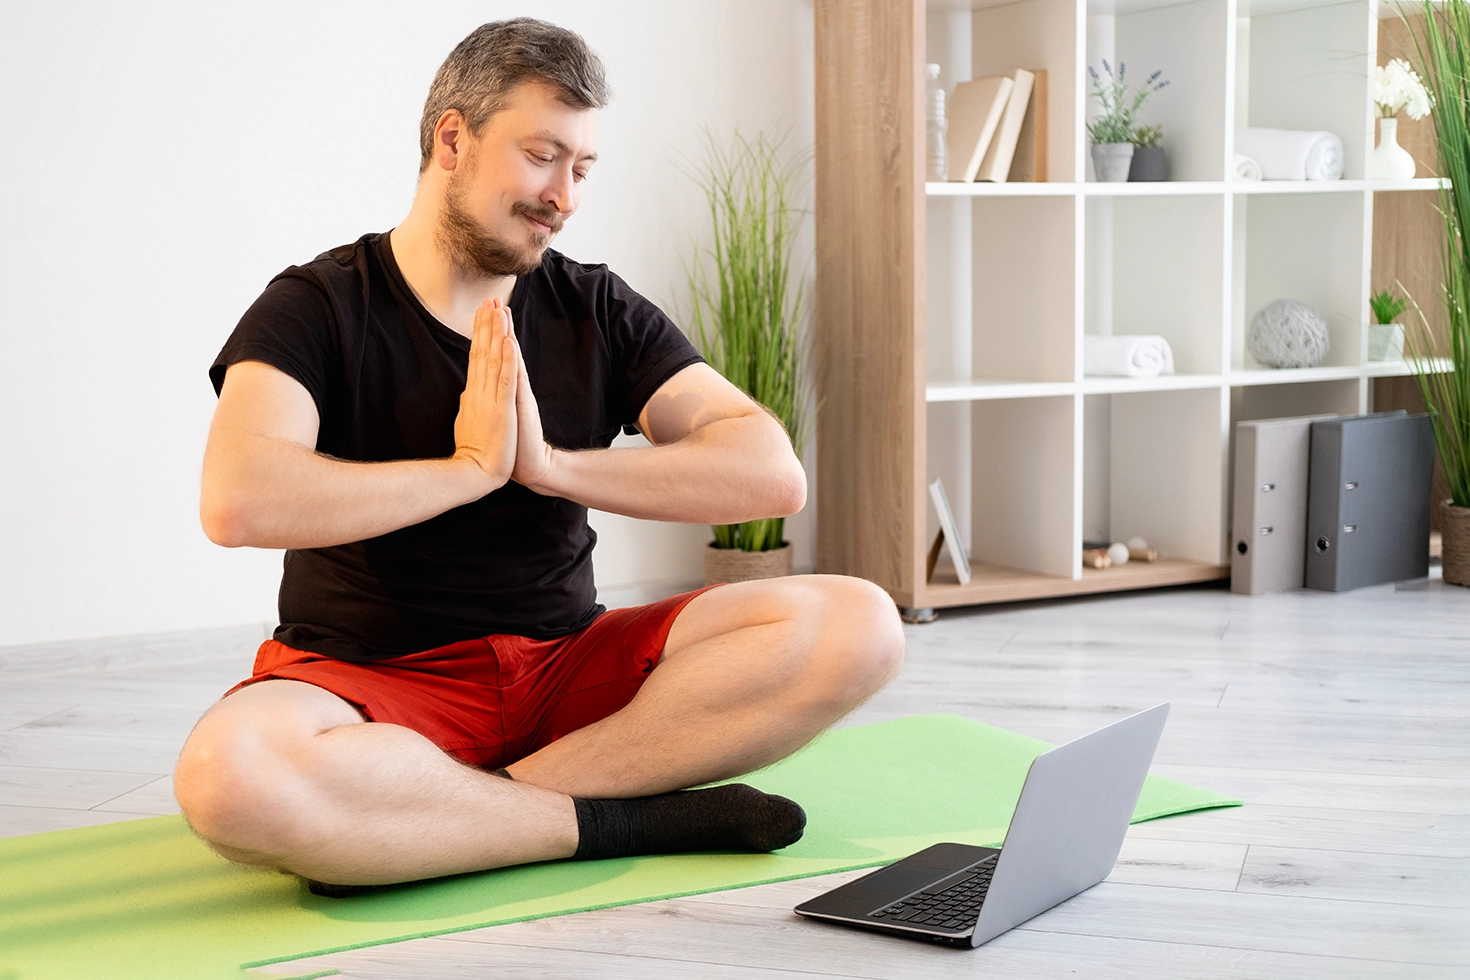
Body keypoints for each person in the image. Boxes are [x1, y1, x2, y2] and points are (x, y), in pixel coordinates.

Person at [173, 18, 904, 894]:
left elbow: (768, 473)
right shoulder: (317, 305)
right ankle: (619, 817)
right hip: (375, 683)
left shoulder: (593, 304)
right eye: (542, 155)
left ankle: (448, 820)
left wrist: (546, 466)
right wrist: (465, 471)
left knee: (861, 623)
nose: (564, 195)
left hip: (566, 669)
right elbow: (239, 499)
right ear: (453, 139)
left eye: (582, 168)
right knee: (229, 776)